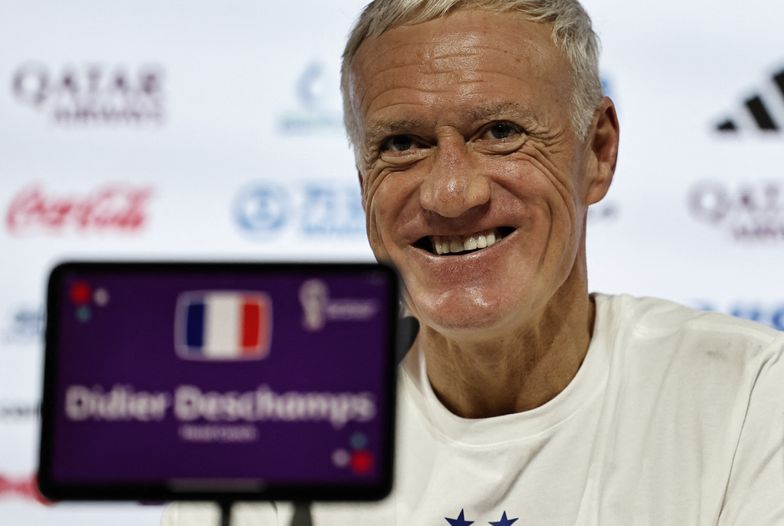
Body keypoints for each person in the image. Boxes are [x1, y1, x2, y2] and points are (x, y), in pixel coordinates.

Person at [164, 0, 784, 524]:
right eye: (403, 144)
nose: (452, 193)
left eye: (499, 132)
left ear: (597, 151)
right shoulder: (259, 432)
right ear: (362, 185)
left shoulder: (748, 396)